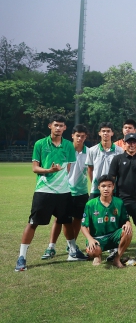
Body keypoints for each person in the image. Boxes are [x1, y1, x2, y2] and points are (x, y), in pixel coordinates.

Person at [15, 115, 85, 272]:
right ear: (50, 126)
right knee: (33, 223)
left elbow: (68, 169)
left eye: (61, 125)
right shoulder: (40, 144)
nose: (58, 128)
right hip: (44, 191)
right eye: (56, 125)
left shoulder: (68, 145)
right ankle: (21, 257)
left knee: (67, 221)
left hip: (64, 192)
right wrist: (49, 170)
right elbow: (35, 168)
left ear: (65, 128)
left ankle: (73, 251)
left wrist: (60, 181)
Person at [41, 124, 90, 260]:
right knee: (59, 219)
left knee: (78, 219)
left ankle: (71, 246)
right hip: (64, 190)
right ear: (72, 135)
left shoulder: (89, 152)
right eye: (77, 135)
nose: (80, 138)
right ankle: (51, 246)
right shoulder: (65, 149)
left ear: (86, 137)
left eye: (83, 136)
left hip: (81, 191)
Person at [108, 132, 136, 265]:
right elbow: (111, 178)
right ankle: (115, 248)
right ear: (124, 143)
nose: (132, 144)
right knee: (119, 224)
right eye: (129, 142)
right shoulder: (117, 159)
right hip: (121, 198)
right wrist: (111, 196)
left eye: (134, 142)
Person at [80, 175, 133, 268]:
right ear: (99, 187)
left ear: (113, 187)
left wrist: (128, 223)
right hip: (97, 238)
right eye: (103, 186)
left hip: (113, 236)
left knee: (128, 231)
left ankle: (117, 259)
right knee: (92, 251)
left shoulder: (119, 202)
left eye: (109, 186)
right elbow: (83, 225)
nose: (106, 189)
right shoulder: (90, 204)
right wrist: (90, 239)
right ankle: (97, 256)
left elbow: (125, 219)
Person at [86, 122, 124, 200]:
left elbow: (121, 171)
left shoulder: (120, 151)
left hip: (113, 189)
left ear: (112, 133)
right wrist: (95, 183)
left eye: (108, 131)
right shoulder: (92, 150)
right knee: (92, 207)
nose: (105, 133)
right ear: (99, 133)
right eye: (103, 131)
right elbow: (90, 169)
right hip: (96, 188)